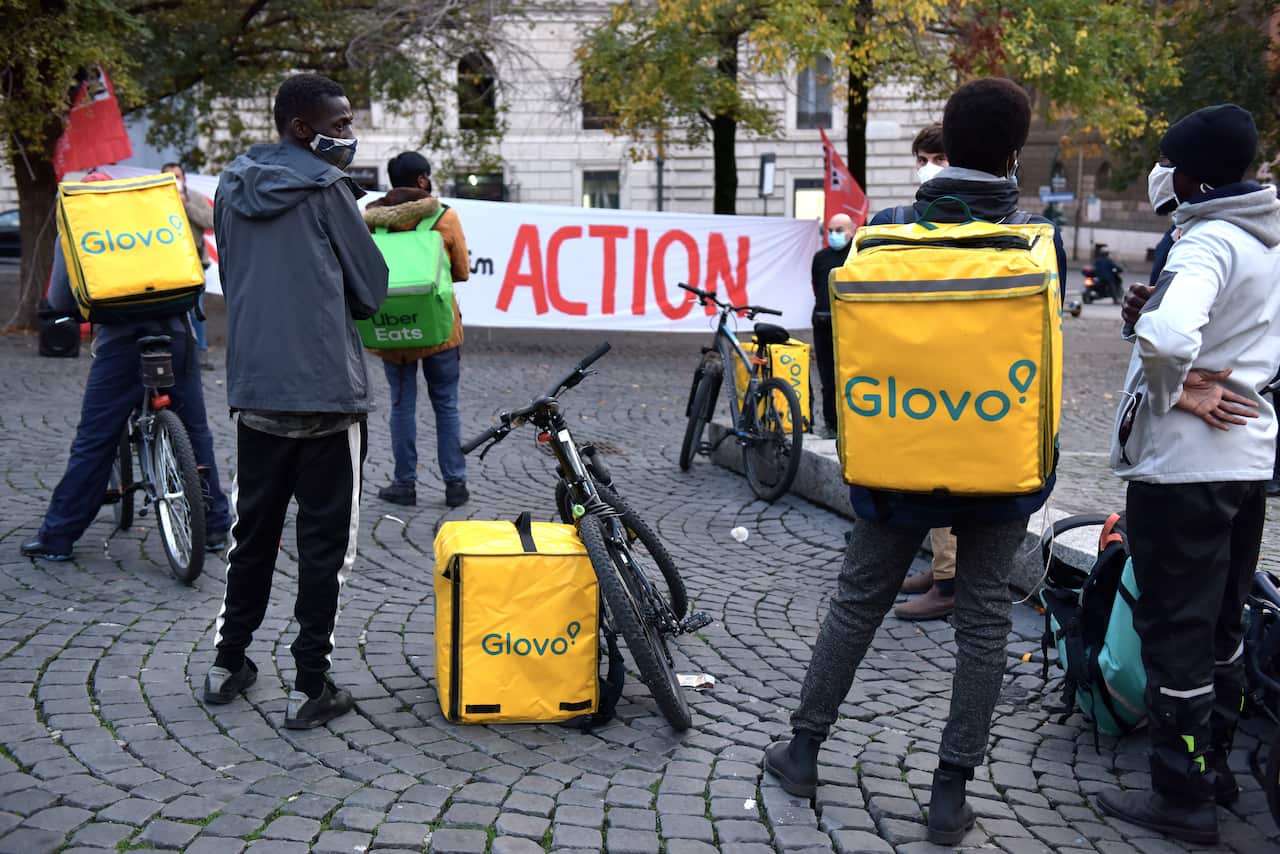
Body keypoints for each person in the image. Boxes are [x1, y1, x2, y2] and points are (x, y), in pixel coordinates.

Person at [764, 78, 1067, 847]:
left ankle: (803, 751)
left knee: (856, 603)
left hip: (896, 456)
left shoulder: (885, 233)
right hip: (998, 460)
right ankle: (948, 793)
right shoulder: (1036, 243)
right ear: (1013, 154)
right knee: (985, 618)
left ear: (945, 142)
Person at [1096, 104, 1280, 846]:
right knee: (1224, 622)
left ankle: (1182, 795)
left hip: (1184, 470)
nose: (1160, 172)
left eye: (1168, 161)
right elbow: (1215, 327)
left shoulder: (1206, 239)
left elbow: (1173, 340)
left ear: (1193, 178)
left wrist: (1176, 391)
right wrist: (1148, 316)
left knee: (1176, 628)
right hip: (1245, 462)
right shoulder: (1265, 239)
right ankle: (1217, 770)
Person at [204, 73, 389, 730]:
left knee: (250, 535)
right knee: (324, 546)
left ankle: (227, 664)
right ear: (302, 127)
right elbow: (371, 289)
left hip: (256, 388)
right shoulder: (329, 188)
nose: (348, 133)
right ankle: (311, 683)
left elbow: (235, 276)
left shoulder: (230, 185)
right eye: (340, 124)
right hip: (325, 394)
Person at [20, 171, 232, 562]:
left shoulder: (79, 223)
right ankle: (215, 523)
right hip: (176, 332)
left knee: (95, 439)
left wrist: (66, 311)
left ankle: (58, 536)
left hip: (121, 344)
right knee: (195, 430)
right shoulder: (155, 212)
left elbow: (61, 296)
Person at [367, 151, 471, 508]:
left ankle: (404, 484)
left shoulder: (372, 220)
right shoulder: (444, 217)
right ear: (422, 180)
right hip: (440, 328)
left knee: (401, 407)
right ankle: (455, 484)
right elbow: (461, 271)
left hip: (393, 330)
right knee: (447, 406)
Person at [895, 121, 960, 622]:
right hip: (926, 359)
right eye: (921, 159)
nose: (927, 168)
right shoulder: (919, 213)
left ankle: (950, 582)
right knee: (931, 472)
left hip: (954, 363)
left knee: (948, 475)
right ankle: (941, 569)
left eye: (936, 158)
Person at [160, 162, 215, 370]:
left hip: (194, 264)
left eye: (177, 176)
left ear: (184, 179)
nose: (173, 180)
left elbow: (211, 221)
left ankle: (200, 353)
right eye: (168, 176)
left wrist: (187, 206)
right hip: (167, 264)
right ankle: (171, 353)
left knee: (196, 310)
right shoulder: (155, 199)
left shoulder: (195, 198)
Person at [809, 213, 853, 439]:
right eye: (831, 230)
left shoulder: (858, 256)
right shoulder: (820, 258)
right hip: (823, 323)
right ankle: (830, 423)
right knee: (827, 378)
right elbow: (816, 286)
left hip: (850, 325)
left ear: (851, 231)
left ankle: (851, 422)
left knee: (849, 374)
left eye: (839, 230)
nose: (834, 234)